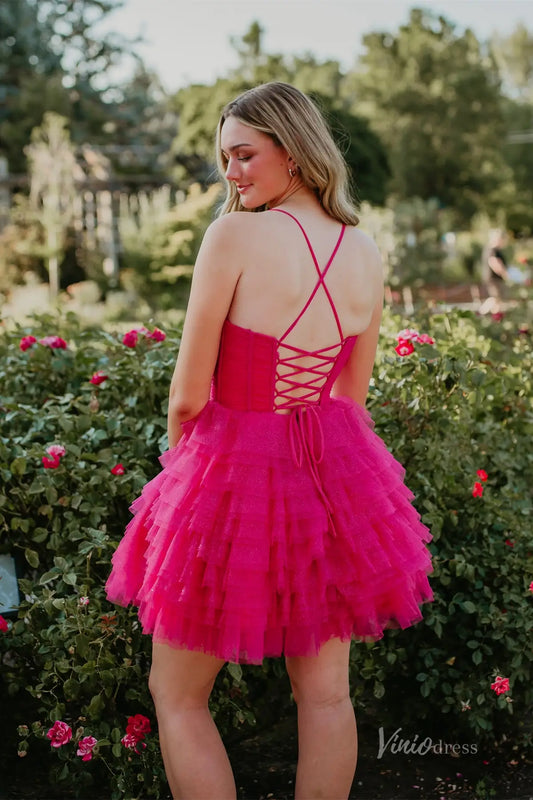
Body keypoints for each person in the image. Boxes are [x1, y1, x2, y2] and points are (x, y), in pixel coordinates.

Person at [105, 82, 433, 800]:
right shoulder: (363, 249)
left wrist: (180, 483)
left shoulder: (233, 236)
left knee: (177, 693)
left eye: (244, 154)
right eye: (225, 157)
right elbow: (350, 396)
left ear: (294, 150)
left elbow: (188, 395)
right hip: (329, 476)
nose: (231, 173)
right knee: (326, 695)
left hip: (230, 472)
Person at [479, 229, 509, 316]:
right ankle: (479, 314)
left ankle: (495, 318)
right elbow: (494, 262)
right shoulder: (492, 249)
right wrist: (504, 273)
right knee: (495, 299)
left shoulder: (493, 249)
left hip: (494, 279)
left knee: (496, 300)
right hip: (493, 279)